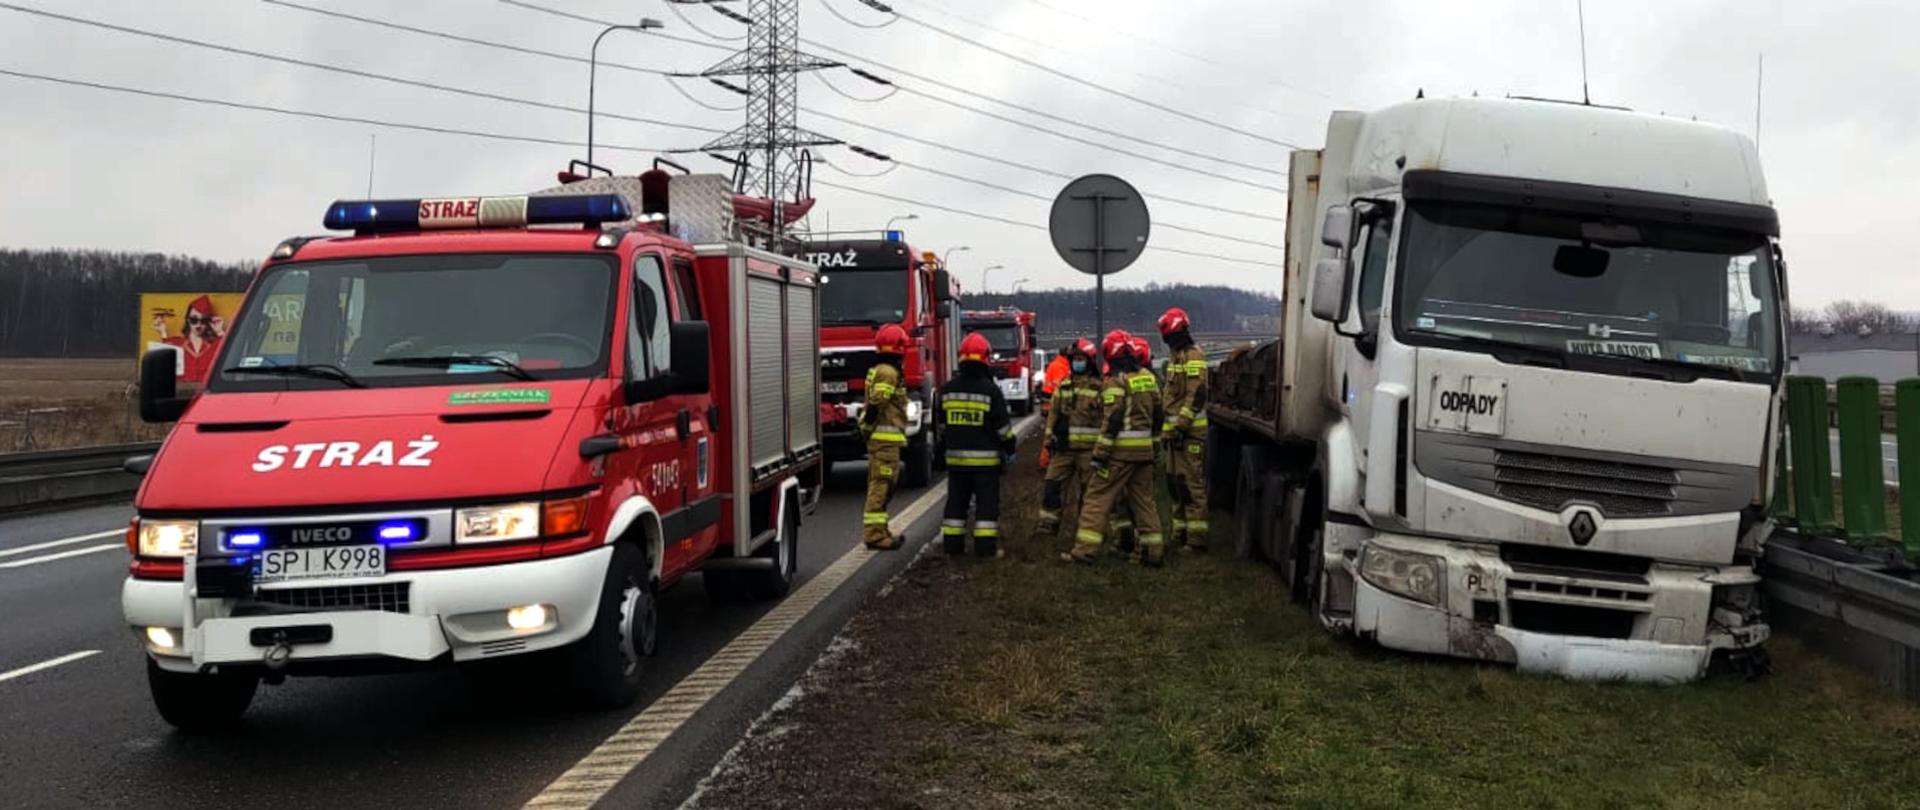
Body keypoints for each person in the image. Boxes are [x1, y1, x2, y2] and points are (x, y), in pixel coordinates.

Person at [1064, 330, 1166, 567]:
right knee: (1145, 502)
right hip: (1144, 453)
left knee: (1096, 499)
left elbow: (1112, 421)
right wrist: (1154, 445)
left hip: (1119, 455)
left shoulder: (1115, 382)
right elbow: (1159, 415)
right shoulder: (1147, 378)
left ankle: (1084, 552)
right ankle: (1153, 553)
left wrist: (1100, 455)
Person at [936, 332, 1016, 557]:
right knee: (986, 507)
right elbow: (1003, 429)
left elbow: (941, 426)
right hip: (986, 465)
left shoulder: (947, 389)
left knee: (955, 506)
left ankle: (952, 548)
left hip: (956, 463)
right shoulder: (990, 390)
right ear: (986, 358)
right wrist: (1010, 449)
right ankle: (984, 550)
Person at [1157, 307, 1211, 552]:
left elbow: (1196, 394)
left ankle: (1196, 540)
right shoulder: (1176, 357)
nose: (1167, 341)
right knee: (1175, 485)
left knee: (1191, 486)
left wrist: (1181, 425)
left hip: (1189, 434)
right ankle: (1179, 534)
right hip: (1174, 434)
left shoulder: (1193, 356)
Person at [1036, 338, 1100, 538]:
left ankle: (1085, 531)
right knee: (1052, 486)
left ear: (1089, 361)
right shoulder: (1064, 386)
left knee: (1089, 494)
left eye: (1081, 359)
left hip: (1089, 452)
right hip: (1063, 450)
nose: (1077, 362)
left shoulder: (1100, 388)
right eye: (1075, 359)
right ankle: (1048, 526)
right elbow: (1053, 417)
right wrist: (1048, 443)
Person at [860, 324, 911, 550]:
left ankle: (880, 530)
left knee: (885, 484)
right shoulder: (888, 373)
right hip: (884, 441)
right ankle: (874, 535)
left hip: (884, 440)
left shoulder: (881, 370)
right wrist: (866, 426)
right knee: (881, 485)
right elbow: (877, 403)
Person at [154, 295, 226, 383]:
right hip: (181, 390)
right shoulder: (177, 344)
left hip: (205, 390)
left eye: (203, 321)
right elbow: (165, 365)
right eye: (194, 320)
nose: (198, 325)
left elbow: (228, 353)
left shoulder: (214, 346)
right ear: (187, 320)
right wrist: (163, 332)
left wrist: (220, 331)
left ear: (208, 322)